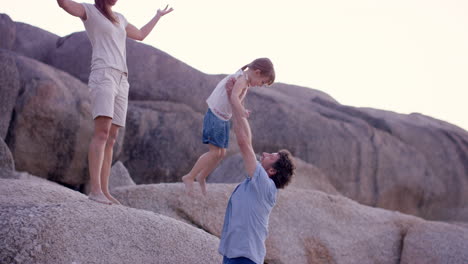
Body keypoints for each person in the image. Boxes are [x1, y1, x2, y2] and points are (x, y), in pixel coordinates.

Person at [57, 0, 173, 205]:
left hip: (122, 79)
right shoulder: (89, 11)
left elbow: (141, 35)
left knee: (112, 137)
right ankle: (95, 190)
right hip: (103, 74)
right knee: (101, 133)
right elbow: (64, 4)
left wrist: (157, 16)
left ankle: (105, 190)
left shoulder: (120, 18)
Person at [218, 71, 296, 264]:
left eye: (271, 156)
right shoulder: (256, 183)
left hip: (246, 257)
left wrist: (235, 101)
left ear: (272, 171)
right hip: (234, 254)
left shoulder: (265, 186)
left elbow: (244, 143)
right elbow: (248, 141)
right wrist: (234, 100)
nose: (265, 154)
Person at [182, 58, 275, 195]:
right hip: (215, 116)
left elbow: (236, 98)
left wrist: (240, 109)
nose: (260, 85)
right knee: (214, 152)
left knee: (221, 153)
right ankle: (189, 176)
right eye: (262, 82)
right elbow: (234, 98)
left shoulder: (245, 81)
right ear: (257, 72)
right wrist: (242, 112)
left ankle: (201, 176)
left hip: (223, 118)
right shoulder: (242, 79)